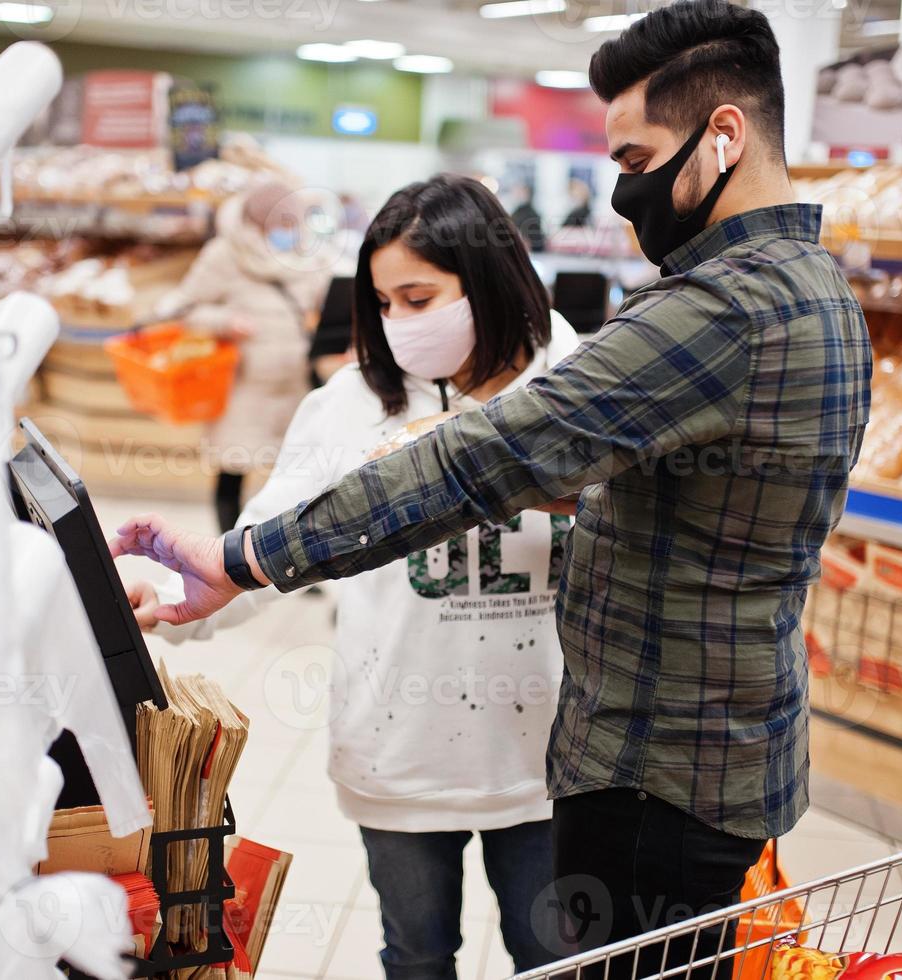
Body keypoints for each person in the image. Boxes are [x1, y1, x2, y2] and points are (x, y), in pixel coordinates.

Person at [113, 1, 872, 976]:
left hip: (654, 771)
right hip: (717, 748)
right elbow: (712, 503)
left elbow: (477, 459)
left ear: (724, 134)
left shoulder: (722, 310)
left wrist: (242, 556)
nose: (622, 194)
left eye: (637, 162)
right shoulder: (819, 288)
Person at [124, 175, 580, 979]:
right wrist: (170, 603)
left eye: (419, 297)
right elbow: (261, 546)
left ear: (487, 281)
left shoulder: (572, 380)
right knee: (414, 953)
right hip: (396, 747)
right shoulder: (345, 406)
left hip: (545, 757)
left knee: (554, 958)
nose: (400, 323)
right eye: (385, 303)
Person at [157, 178, 331, 532]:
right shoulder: (226, 253)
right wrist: (223, 321)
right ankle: (226, 556)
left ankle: (294, 558)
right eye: (280, 223)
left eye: (291, 222)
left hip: (295, 385)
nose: (287, 230)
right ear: (258, 221)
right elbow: (179, 308)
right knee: (233, 469)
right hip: (243, 386)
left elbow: (320, 301)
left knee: (294, 476)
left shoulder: (306, 254)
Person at [506, 183, 547, 253]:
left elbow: (534, 237)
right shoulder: (517, 211)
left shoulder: (531, 213)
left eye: (521, 192)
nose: (517, 194)